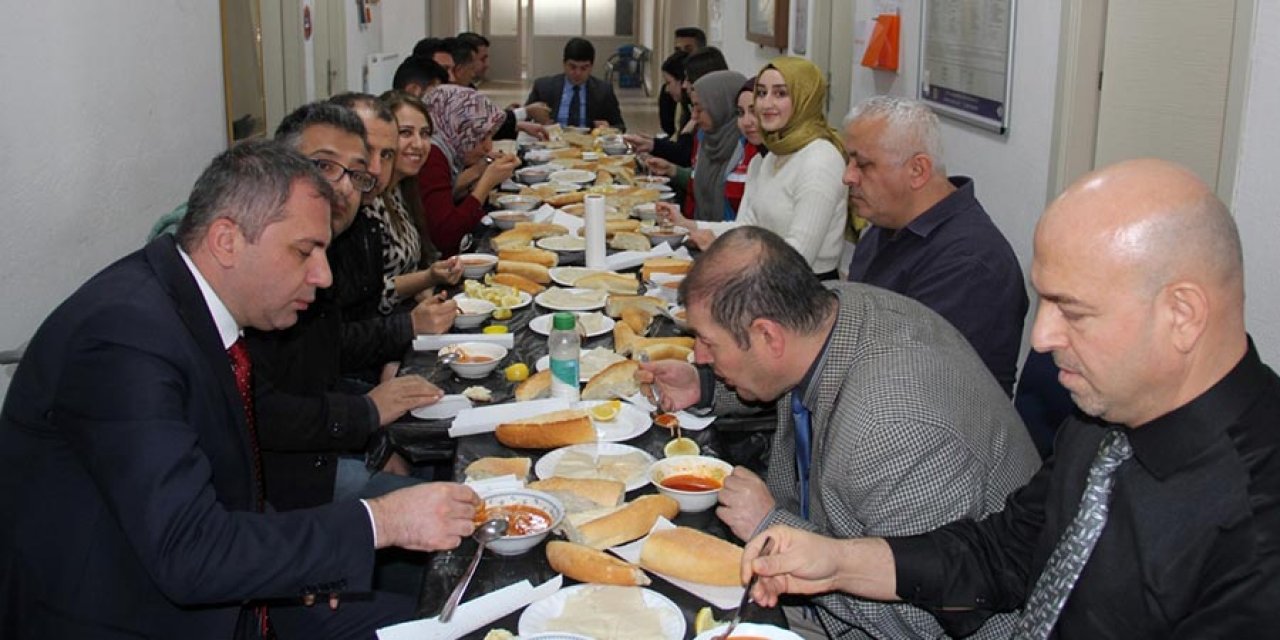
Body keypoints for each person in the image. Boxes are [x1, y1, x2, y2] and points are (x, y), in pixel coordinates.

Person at [740, 159, 1280, 638]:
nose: (1041, 338)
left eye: (1074, 311)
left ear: (1181, 315)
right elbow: (1005, 552)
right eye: (1044, 300)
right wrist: (838, 563)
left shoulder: (1256, 533)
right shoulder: (1105, 419)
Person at [0, 139, 481, 639]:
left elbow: (226, 490)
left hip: (229, 588)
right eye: (305, 251)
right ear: (227, 240)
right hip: (137, 615)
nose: (323, 275)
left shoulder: (190, 308)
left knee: (458, 618)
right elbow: (188, 551)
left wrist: (309, 559)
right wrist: (380, 521)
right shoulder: (124, 338)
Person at [642, 226, 1040, 638]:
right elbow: (778, 375)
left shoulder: (891, 424)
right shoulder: (830, 311)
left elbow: (919, 622)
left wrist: (770, 526)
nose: (699, 355)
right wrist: (703, 386)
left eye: (709, 343)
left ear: (766, 335)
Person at [250, 99, 444, 514]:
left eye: (356, 172)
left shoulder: (356, 228)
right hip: (289, 476)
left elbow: (321, 361)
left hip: (327, 421)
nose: (349, 183)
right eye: (324, 165)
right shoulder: (262, 265)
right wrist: (369, 414)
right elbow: (265, 410)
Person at [842, 96, 1027, 395]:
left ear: (917, 170)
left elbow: (918, 384)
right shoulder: (886, 222)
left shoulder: (970, 263)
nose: (848, 176)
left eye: (863, 164)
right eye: (848, 161)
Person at [659, 57, 849, 278]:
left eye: (780, 94)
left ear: (804, 99)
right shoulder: (771, 156)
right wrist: (689, 225)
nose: (766, 104)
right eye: (761, 93)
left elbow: (799, 256)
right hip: (765, 278)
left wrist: (725, 252)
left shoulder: (821, 158)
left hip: (807, 291)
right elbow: (749, 226)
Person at [417, 84, 519, 257]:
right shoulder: (432, 156)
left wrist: (480, 170)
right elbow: (447, 235)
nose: (489, 146)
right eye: (480, 137)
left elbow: (444, 196)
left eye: (491, 136)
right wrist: (486, 183)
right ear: (458, 129)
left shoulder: (447, 148)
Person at [645, 70, 757, 222]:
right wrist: (672, 170)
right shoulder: (705, 138)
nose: (694, 117)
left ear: (720, 106)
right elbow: (700, 185)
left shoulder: (753, 147)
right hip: (699, 232)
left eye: (700, 109)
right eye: (693, 108)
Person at [526, 37, 625, 130]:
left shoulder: (603, 91)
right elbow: (522, 120)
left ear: (591, 67)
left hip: (589, 145)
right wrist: (539, 123)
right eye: (573, 67)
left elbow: (620, 126)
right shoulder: (543, 87)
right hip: (551, 142)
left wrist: (608, 127)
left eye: (584, 68)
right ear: (564, 64)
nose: (578, 73)